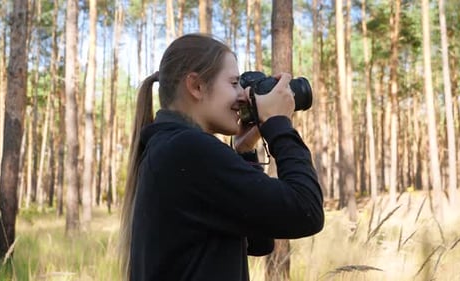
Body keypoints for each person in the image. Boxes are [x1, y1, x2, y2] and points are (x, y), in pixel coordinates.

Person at [119, 33, 324, 281]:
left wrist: (244, 151)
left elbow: (259, 241)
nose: (243, 95)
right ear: (196, 86)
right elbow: (306, 211)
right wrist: (279, 125)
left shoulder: (167, 146)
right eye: (234, 83)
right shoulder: (187, 148)